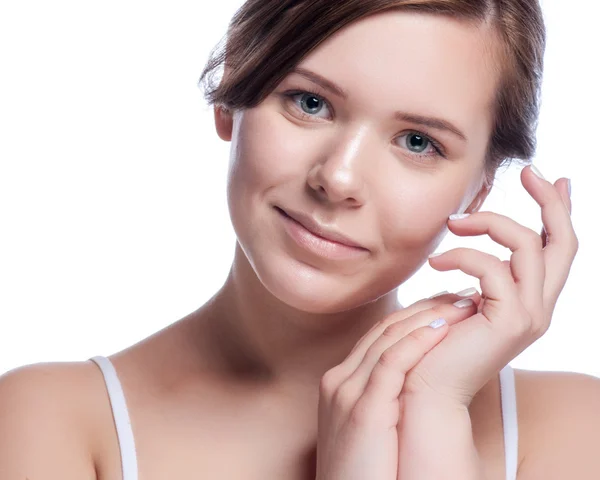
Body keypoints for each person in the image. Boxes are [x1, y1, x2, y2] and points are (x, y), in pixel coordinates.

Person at [0, 0, 598, 479]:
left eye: (418, 142)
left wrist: (433, 414)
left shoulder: (572, 432)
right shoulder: (48, 421)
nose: (338, 178)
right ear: (235, 84)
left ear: (478, 190)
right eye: (310, 103)